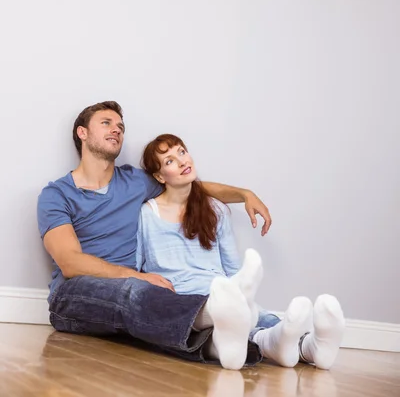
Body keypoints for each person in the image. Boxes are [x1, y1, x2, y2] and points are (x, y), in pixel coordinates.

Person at [37, 101, 272, 366]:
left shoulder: (134, 182)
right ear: (82, 133)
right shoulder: (56, 195)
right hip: (74, 295)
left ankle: (224, 343)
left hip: (140, 297)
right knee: (135, 292)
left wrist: (244, 195)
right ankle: (219, 311)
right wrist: (136, 276)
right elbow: (70, 263)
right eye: (106, 123)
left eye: (120, 126)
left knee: (146, 318)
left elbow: (186, 184)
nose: (117, 129)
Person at [138, 133, 346, 370]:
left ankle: (311, 347)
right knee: (234, 319)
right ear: (159, 176)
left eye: (182, 152)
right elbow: (138, 266)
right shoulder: (147, 214)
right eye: (169, 161)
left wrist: (239, 289)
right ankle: (294, 345)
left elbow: (232, 269)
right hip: (185, 300)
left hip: (221, 289)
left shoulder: (216, 209)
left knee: (256, 314)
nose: (183, 161)